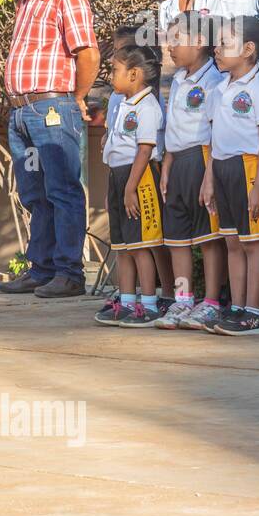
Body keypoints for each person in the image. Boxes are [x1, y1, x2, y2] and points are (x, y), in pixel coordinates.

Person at [0, 0, 99, 299]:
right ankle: (40, 269)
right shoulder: (26, 1)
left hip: (52, 110)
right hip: (22, 115)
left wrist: (76, 97)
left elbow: (88, 53)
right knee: (34, 193)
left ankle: (69, 273)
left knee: (62, 190)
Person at [200, 16, 259, 337]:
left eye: (225, 43)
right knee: (232, 241)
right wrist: (209, 180)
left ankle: (253, 310)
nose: (217, 49)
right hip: (223, 169)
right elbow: (215, 138)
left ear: (249, 49)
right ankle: (237, 305)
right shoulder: (219, 89)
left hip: (248, 169)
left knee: (252, 242)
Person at [154, 12, 228, 331]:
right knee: (178, 238)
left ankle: (211, 301)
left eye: (176, 40)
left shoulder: (214, 80)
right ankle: (183, 300)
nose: (169, 47)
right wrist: (168, 166)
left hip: (202, 159)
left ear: (199, 42)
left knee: (209, 238)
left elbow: (214, 132)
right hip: (178, 160)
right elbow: (173, 129)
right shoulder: (179, 79)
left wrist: (210, 175)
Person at [93, 44, 164, 327]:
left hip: (139, 177)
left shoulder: (147, 106)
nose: (111, 75)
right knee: (123, 244)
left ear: (134, 74)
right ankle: (127, 300)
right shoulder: (124, 103)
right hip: (119, 175)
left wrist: (131, 188)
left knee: (140, 244)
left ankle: (148, 304)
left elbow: (144, 151)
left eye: (115, 70)